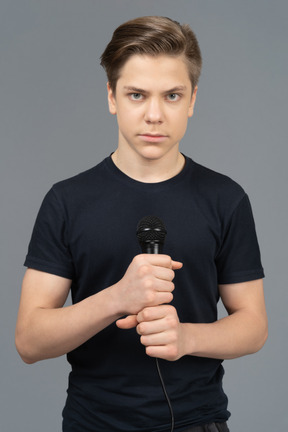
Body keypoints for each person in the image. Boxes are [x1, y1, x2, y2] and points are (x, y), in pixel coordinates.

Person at [15, 16, 268, 432]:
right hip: (92, 423)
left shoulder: (226, 198)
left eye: (171, 95)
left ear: (192, 100)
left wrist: (187, 339)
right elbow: (29, 340)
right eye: (137, 95)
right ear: (112, 97)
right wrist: (117, 297)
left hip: (197, 422)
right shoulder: (67, 201)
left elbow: (253, 325)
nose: (154, 115)